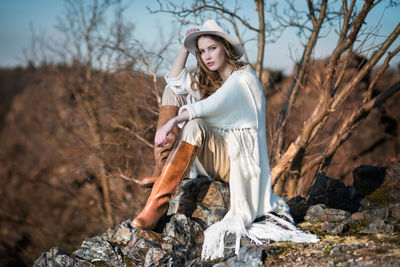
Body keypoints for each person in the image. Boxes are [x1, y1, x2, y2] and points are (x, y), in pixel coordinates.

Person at [132, 19, 318, 260]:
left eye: (212, 48)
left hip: (237, 162)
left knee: (195, 122)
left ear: (225, 47)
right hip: (216, 157)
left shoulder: (244, 78)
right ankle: (161, 168)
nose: (206, 56)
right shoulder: (208, 78)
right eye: (201, 51)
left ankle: (157, 203)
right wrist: (184, 48)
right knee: (172, 93)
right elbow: (173, 81)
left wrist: (173, 121)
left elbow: (212, 105)